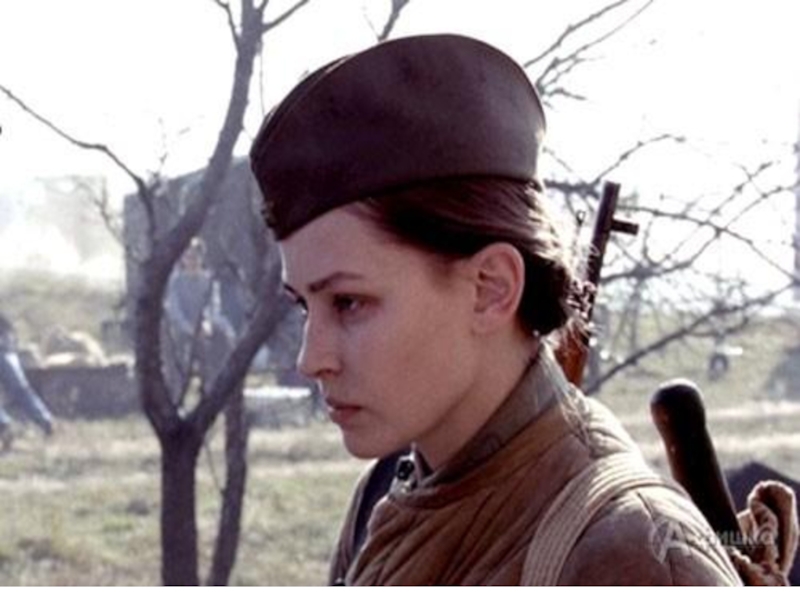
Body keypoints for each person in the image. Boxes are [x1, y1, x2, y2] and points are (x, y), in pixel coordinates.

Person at [248, 35, 763, 585]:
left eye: (349, 303)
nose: (311, 359)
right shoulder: (386, 496)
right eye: (304, 305)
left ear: (491, 288)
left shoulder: (631, 559)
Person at [163, 238, 236, 398]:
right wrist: (191, 330)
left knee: (224, 336)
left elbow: (213, 306)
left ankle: (218, 385)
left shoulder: (208, 281)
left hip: (205, 326)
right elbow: (175, 311)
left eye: (195, 257)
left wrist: (206, 323)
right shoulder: (176, 282)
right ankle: (178, 390)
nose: (192, 261)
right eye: (188, 257)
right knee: (181, 348)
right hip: (183, 330)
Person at [0, 314, 54, 448]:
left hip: (5, 348)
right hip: (7, 350)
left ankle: (4, 425)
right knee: (22, 390)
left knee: (21, 391)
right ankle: (45, 420)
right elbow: (9, 332)